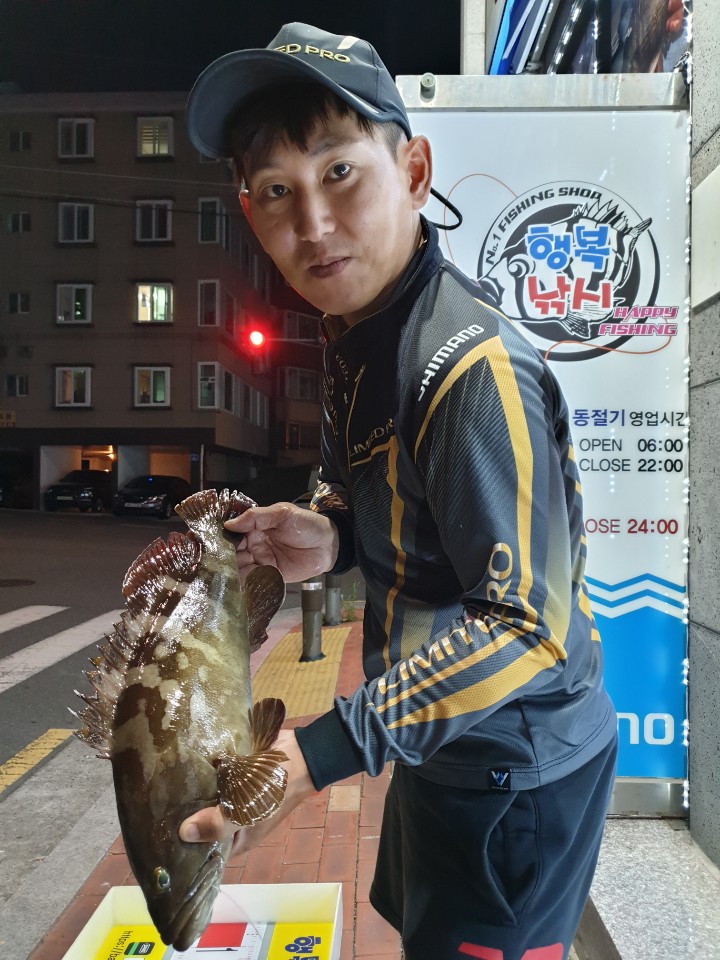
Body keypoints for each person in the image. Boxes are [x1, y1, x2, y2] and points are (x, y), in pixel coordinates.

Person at [183, 23, 618, 960]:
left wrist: (316, 755)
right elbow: (381, 498)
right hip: (438, 741)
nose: (312, 224)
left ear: (414, 172)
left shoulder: (467, 369)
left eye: (340, 172)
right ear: (249, 212)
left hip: (515, 775)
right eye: (277, 191)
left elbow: (524, 627)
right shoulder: (358, 329)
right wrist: (331, 534)